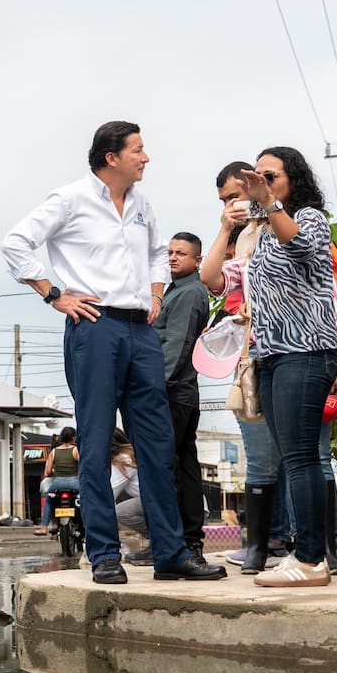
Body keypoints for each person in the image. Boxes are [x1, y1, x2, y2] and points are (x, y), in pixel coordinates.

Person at [0, 120, 225, 585]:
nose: (146, 158)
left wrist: (157, 293)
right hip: (94, 326)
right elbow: (15, 243)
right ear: (112, 157)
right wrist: (53, 294)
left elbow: (157, 254)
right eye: (138, 150)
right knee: (98, 442)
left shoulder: (142, 205)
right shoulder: (70, 200)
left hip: (141, 331)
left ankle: (171, 554)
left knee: (157, 446)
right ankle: (104, 554)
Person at [202, 148, 337, 588]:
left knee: (302, 458)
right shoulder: (258, 234)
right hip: (270, 356)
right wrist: (226, 227)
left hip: (306, 351)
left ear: (291, 179)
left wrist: (268, 202)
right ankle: (306, 556)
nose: (260, 182)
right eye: (257, 175)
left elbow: (299, 246)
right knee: (292, 457)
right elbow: (212, 279)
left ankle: (311, 559)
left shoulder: (310, 219)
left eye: (271, 175)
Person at [152, 231, 210, 561]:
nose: (173, 258)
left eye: (181, 253)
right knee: (183, 466)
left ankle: (178, 543)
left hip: (173, 391)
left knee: (169, 468)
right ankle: (186, 543)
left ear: (197, 260)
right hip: (181, 392)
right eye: (170, 252)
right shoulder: (175, 290)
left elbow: (178, 343)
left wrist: (157, 387)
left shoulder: (189, 292)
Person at [37, 426, 80, 535]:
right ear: (73, 438)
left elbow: (47, 472)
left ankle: (44, 528)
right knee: (85, 500)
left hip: (57, 484)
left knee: (49, 501)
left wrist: (56, 473)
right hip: (75, 483)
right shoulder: (76, 450)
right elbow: (83, 467)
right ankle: (89, 527)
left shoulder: (54, 452)